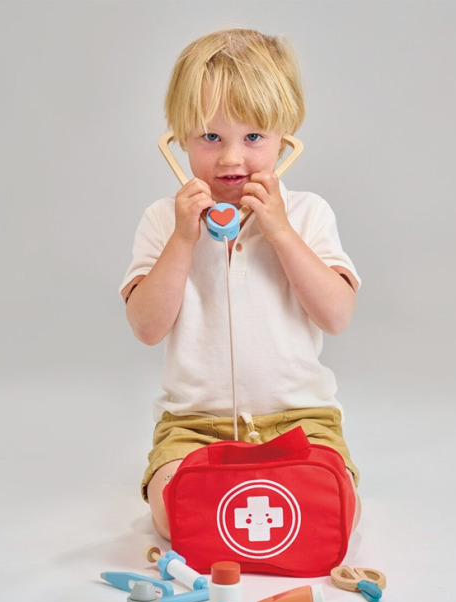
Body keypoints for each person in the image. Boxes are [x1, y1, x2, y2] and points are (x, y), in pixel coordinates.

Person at [119, 28, 362, 540]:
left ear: (284, 137)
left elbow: (337, 316)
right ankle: (242, 517)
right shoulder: (163, 220)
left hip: (300, 420)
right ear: (179, 138)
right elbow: (146, 327)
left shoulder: (308, 213)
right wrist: (183, 240)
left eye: (253, 138)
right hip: (194, 426)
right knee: (172, 516)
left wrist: (281, 232)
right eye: (211, 137)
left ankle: (247, 515)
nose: (231, 158)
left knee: (340, 511)